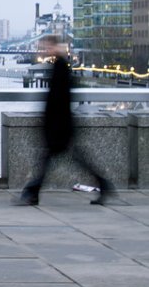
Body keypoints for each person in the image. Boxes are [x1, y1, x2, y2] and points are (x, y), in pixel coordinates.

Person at [16, 35, 116, 206]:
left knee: (50, 161)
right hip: (61, 125)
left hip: (59, 126)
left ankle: (32, 193)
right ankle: (104, 185)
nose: (45, 50)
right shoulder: (60, 65)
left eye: (47, 47)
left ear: (55, 47)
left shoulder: (61, 66)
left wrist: (51, 122)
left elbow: (59, 99)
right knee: (67, 160)